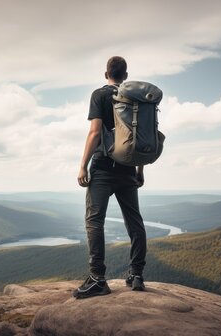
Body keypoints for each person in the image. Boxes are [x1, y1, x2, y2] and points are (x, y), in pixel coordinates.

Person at [73, 56, 147, 299]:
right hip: (128, 168)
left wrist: (83, 166)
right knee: (134, 221)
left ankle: (97, 279)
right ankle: (136, 274)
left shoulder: (100, 95)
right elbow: (140, 139)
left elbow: (94, 132)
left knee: (94, 221)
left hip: (103, 167)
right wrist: (139, 171)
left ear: (106, 73)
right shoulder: (135, 98)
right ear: (125, 75)